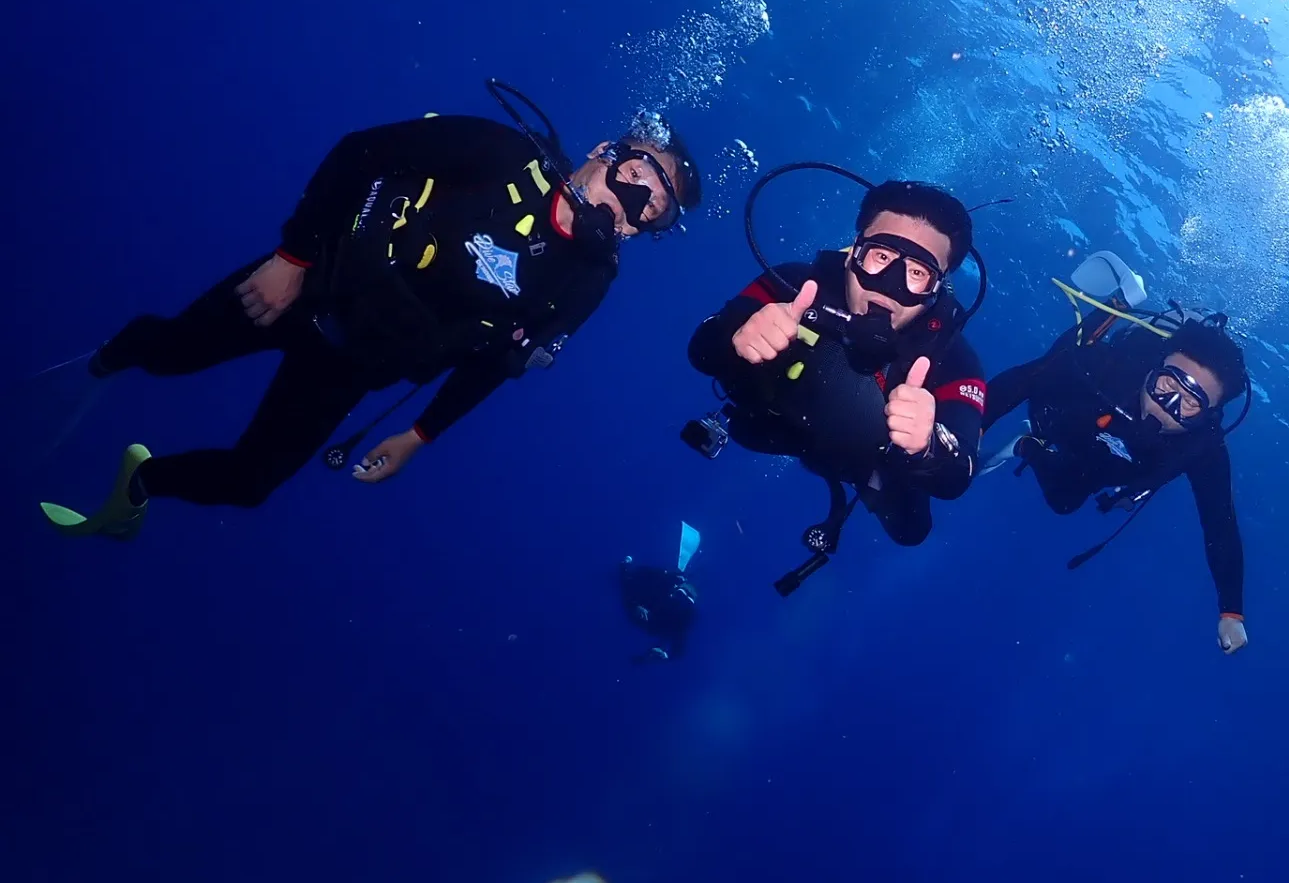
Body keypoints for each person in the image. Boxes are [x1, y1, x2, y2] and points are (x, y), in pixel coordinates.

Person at [39, 86, 702, 540]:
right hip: (310, 285)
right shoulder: (501, 154)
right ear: (603, 153)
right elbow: (364, 151)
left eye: (653, 211)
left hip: (356, 363)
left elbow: (500, 361)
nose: (634, 205)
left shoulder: (586, 282)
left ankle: (138, 484)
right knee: (171, 353)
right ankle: (100, 364)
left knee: (249, 482)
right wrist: (292, 257)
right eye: (638, 176)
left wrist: (422, 434)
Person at [686, 180, 986, 579]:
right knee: (748, 428)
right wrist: (736, 337)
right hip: (773, 423)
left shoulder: (952, 360)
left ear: (937, 289)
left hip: (862, 460)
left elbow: (957, 478)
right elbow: (700, 352)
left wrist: (928, 446)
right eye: (881, 256)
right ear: (853, 251)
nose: (890, 286)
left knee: (912, 530)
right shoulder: (794, 287)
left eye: (917, 272)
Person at [984, 305, 1251, 654]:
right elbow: (1025, 378)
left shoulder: (1204, 447)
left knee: (1064, 501)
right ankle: (1115, 305)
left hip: (1108, 465)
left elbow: (1220, 524)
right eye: (1167, 383)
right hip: (1068, 418)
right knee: (1051, 393)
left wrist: (1231, 612)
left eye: (1190, 402)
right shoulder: (1113, 364)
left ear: (1209, 415)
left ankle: (1025, 446)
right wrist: (968, 428)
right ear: (1156, 365)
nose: (1165, 404)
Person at [620, 559, 699, 664]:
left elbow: (679, 647)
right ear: (674, 590)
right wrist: (635, 605)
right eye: (679, 595)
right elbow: (632, 585)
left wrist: (665, 655)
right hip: (642, 609)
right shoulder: (660, 589)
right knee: (625, 580)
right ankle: (624, 566)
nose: (679, 602)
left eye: (685, 601)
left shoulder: (683, 619)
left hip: (654, 625)